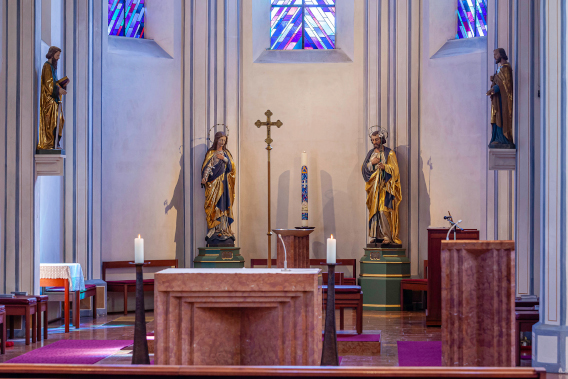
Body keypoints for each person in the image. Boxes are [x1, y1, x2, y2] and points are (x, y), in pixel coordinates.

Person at [361, 128, 402, 247]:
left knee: (384, 210)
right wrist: (372, 163)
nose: (374, 142)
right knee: (375, 211)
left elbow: (395, 170)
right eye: (373, 140)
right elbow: (364, 168)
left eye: (376, 139)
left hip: (386, 187)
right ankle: (376, 235)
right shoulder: (370, 154)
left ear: (382, 139)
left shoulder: (390, 153)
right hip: (374, 188)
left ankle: (387, 236)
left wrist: (385, 167)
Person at [201, 131, 237, 246]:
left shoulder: (226, 153)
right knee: (212, 205)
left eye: (224, 141)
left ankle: (224, 229)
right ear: (216, 140)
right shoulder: (211, 153)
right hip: (213, 184)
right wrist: (204, 178)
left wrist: (224, 159)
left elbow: (232, 168)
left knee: (223, 205)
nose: (222, 142)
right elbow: (208, 166)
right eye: (221, 140)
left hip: (224, 184)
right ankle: (213, 229)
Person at [37, 46, 67, 150]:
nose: (58, 58)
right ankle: (50, 143)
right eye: (57, 55)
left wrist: (62, 85)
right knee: (52, 120)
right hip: (49, 100)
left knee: (61, 120)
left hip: (55, 99)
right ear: (52, 54)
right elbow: (49, 85)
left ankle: (56, 142)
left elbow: (55, 82)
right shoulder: (47, 66)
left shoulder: (53, 68)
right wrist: (58, 90)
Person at [487, 48, 515, 148]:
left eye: (496, 54)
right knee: (496, 115)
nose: (495, 57)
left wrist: (494, 88)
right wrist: (494, 80)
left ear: (501, 55)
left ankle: (502, 138)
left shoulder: (506, 68)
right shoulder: (500, 68)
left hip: (503, 101)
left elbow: (505, 84)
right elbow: (499, 81)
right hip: (497, 100)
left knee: (501, 116)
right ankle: (497, 137)